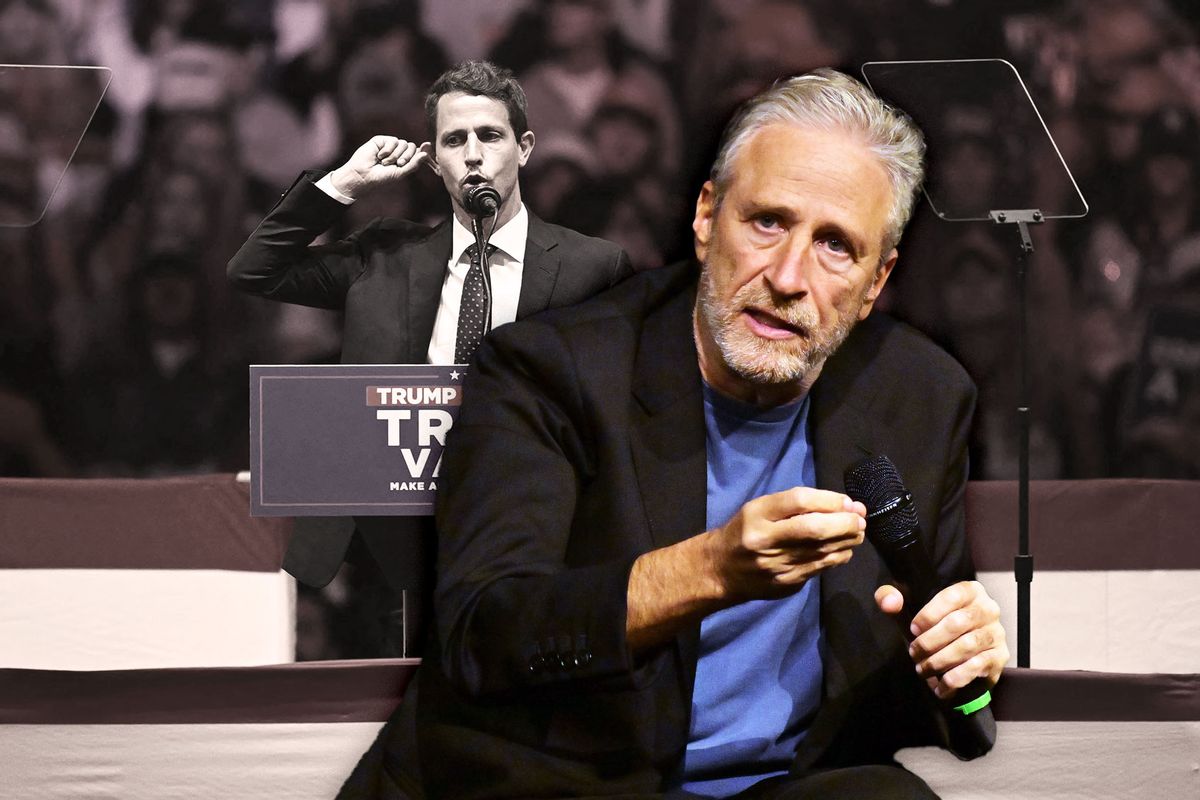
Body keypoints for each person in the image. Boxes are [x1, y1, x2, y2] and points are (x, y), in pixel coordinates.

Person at [399, 69, 1008, 798]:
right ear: (706, 215)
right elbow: (482, 636)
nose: (788, 276)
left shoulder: (921, 397)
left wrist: (952, 658)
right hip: (564, 778)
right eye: (768, 222)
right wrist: (710, 569)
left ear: (877, 283)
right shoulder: (550, 373)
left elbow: (907, 701)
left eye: (836, 246)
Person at [227, 60, 632, 654]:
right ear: (433, 157)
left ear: (524, 148)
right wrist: (343, 185)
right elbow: (254, 269)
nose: (473, 154)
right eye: (454, 140)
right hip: (392, 548)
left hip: (530, 537)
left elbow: (612, 409)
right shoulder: (387, 254)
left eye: (489, 136)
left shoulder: (590, 267)